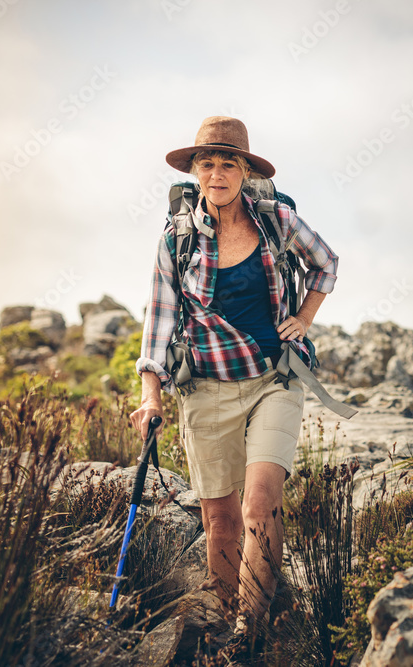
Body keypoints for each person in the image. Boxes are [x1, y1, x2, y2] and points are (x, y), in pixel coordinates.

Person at [129, 116, 340, 640]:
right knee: (219, 520)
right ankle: (225, 622)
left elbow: (326, 264)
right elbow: (158, 321)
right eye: (208, 163)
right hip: (206, 388)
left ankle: (251, 632)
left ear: (245, 170)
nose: (217, 173)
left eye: (229, 163)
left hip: (276, 379)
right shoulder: (176, 240)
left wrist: (305, 319)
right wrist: (150, 395)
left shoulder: (276, 220)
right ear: (195, 171)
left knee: (259, 502)